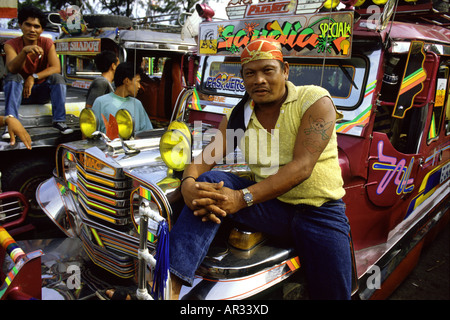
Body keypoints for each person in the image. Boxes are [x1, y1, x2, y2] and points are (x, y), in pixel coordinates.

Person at [169, 39, 352, 300]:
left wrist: (241, 198)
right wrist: (188, 184)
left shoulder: (314, 100)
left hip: (319, 213)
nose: (259, 80)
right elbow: (205, 158)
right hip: (271, 206)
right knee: (207, 182)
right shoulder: (239, 116)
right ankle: (172, 283)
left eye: (268, 70)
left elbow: (301, 168)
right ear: (243, 78)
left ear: (285, 70)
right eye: (250, 73)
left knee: (334, 294)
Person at [2, 5, 73, 140]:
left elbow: (56, 68)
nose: (32, 29)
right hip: (19, 93)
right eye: (28, 25)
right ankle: (10, 122)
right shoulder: (11, 44)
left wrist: (33, 77)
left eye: (36, 26)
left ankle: (59, 121)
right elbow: (12, 68)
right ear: (20, 25)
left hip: (40, 92)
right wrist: (24, 52)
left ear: (42, 29)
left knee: (57, 78)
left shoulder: (47, 43)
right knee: (13, 77)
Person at [92, 62, 153, 134]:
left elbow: (147, 133)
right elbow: (91, 134)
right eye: (137, 82)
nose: (139, 86)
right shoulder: (100, 102)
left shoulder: (137, 104)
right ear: (127, 81)